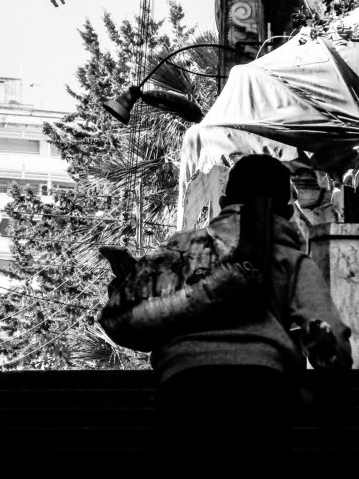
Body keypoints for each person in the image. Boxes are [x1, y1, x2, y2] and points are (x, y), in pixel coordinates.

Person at [151, 155, 352, 471]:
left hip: (182, 392)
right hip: (261, 393)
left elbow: (150, 318)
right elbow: (330, 339)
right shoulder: (292, 261)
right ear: (288, 213)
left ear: (222, 204)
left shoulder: (179, 250)